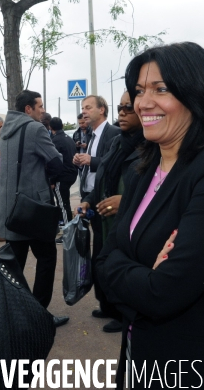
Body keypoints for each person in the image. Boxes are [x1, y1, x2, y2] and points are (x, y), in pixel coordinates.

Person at [96, 42, 204, 389]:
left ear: (195, 94)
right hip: (138, 359)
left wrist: (123, 269)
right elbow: (101, 266)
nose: (144, 103)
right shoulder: (142, 173)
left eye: (161, 89)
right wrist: (138, 275)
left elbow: (165, 293)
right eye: (140, 90)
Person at [0, 90, 69, 327]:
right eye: (39, 106)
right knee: (47, 258)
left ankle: (18, 314)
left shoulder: (5, 131)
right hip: (35, 210)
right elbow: (56, 162)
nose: (43, 110)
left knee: (15, 265)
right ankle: (38, 314)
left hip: (13, 209)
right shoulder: (35, 128)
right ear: (28, 109)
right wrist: (49, 180)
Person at [78, 91, 144, 333]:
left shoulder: (150, 145)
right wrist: (87, 200)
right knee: (102, 259)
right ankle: (108, 305)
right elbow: (104, 177)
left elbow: (156, 190)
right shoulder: (119, 142)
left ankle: (122, 312)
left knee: (122, 263)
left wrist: (125, 202)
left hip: (127, 220)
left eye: (128, 108)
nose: (122, 113)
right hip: (104, 214)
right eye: (120, 108)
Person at [73, 95, 121, 324]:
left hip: (108, 202)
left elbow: (113, 164)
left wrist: (90, 160)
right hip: (92, 198)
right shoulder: (89, 135)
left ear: (102, 110)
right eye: (83, 108)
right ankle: (106, 304)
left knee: (110, 254)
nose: (84, 111)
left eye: (88, 107)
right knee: (100, 252)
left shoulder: (113, 134)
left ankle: (118, 310)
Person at [49, 117, 77, 226]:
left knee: (62, 204)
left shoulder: (55, 141)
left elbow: (54, 162)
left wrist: (52, 180)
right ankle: (67, 226)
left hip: (62, 176)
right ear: (62, 126)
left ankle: (67, 232)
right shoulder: (69, 138)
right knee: (65, 202)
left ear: (51, 127)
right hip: (71, 173)